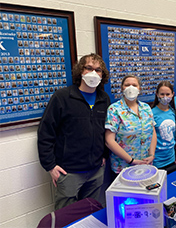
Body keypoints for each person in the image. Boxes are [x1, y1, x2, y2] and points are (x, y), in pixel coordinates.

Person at [37, 53, 111, 210]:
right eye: (89, 68)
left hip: (96, 170)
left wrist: (104, 155)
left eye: (98, 70)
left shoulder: (104, 99)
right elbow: (45, 133)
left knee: (90, 212)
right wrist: (50, 166)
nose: (93, 73)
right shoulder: (62, 97)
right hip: (68, 172)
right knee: (66, 217)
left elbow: (106, 130)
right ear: (80, 71)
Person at [105, 75, 157, 177]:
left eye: (134, 85)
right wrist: (131, 160)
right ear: (122, 88)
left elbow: (152, 131)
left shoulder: (146, 108)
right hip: (123, 167)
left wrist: (152, 154)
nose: (131, 88)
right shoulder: (114, 110)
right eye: (127, 85)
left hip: (145, 164)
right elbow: (109, 141)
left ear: (139, 89)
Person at [151, 81, 176, 170]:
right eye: (162, 94)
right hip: (157, 160)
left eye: (168, 94)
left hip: (171, 157)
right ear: (157, 94)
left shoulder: (173, 111)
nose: (165, 97)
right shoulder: (152, 113)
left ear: (172, 94)